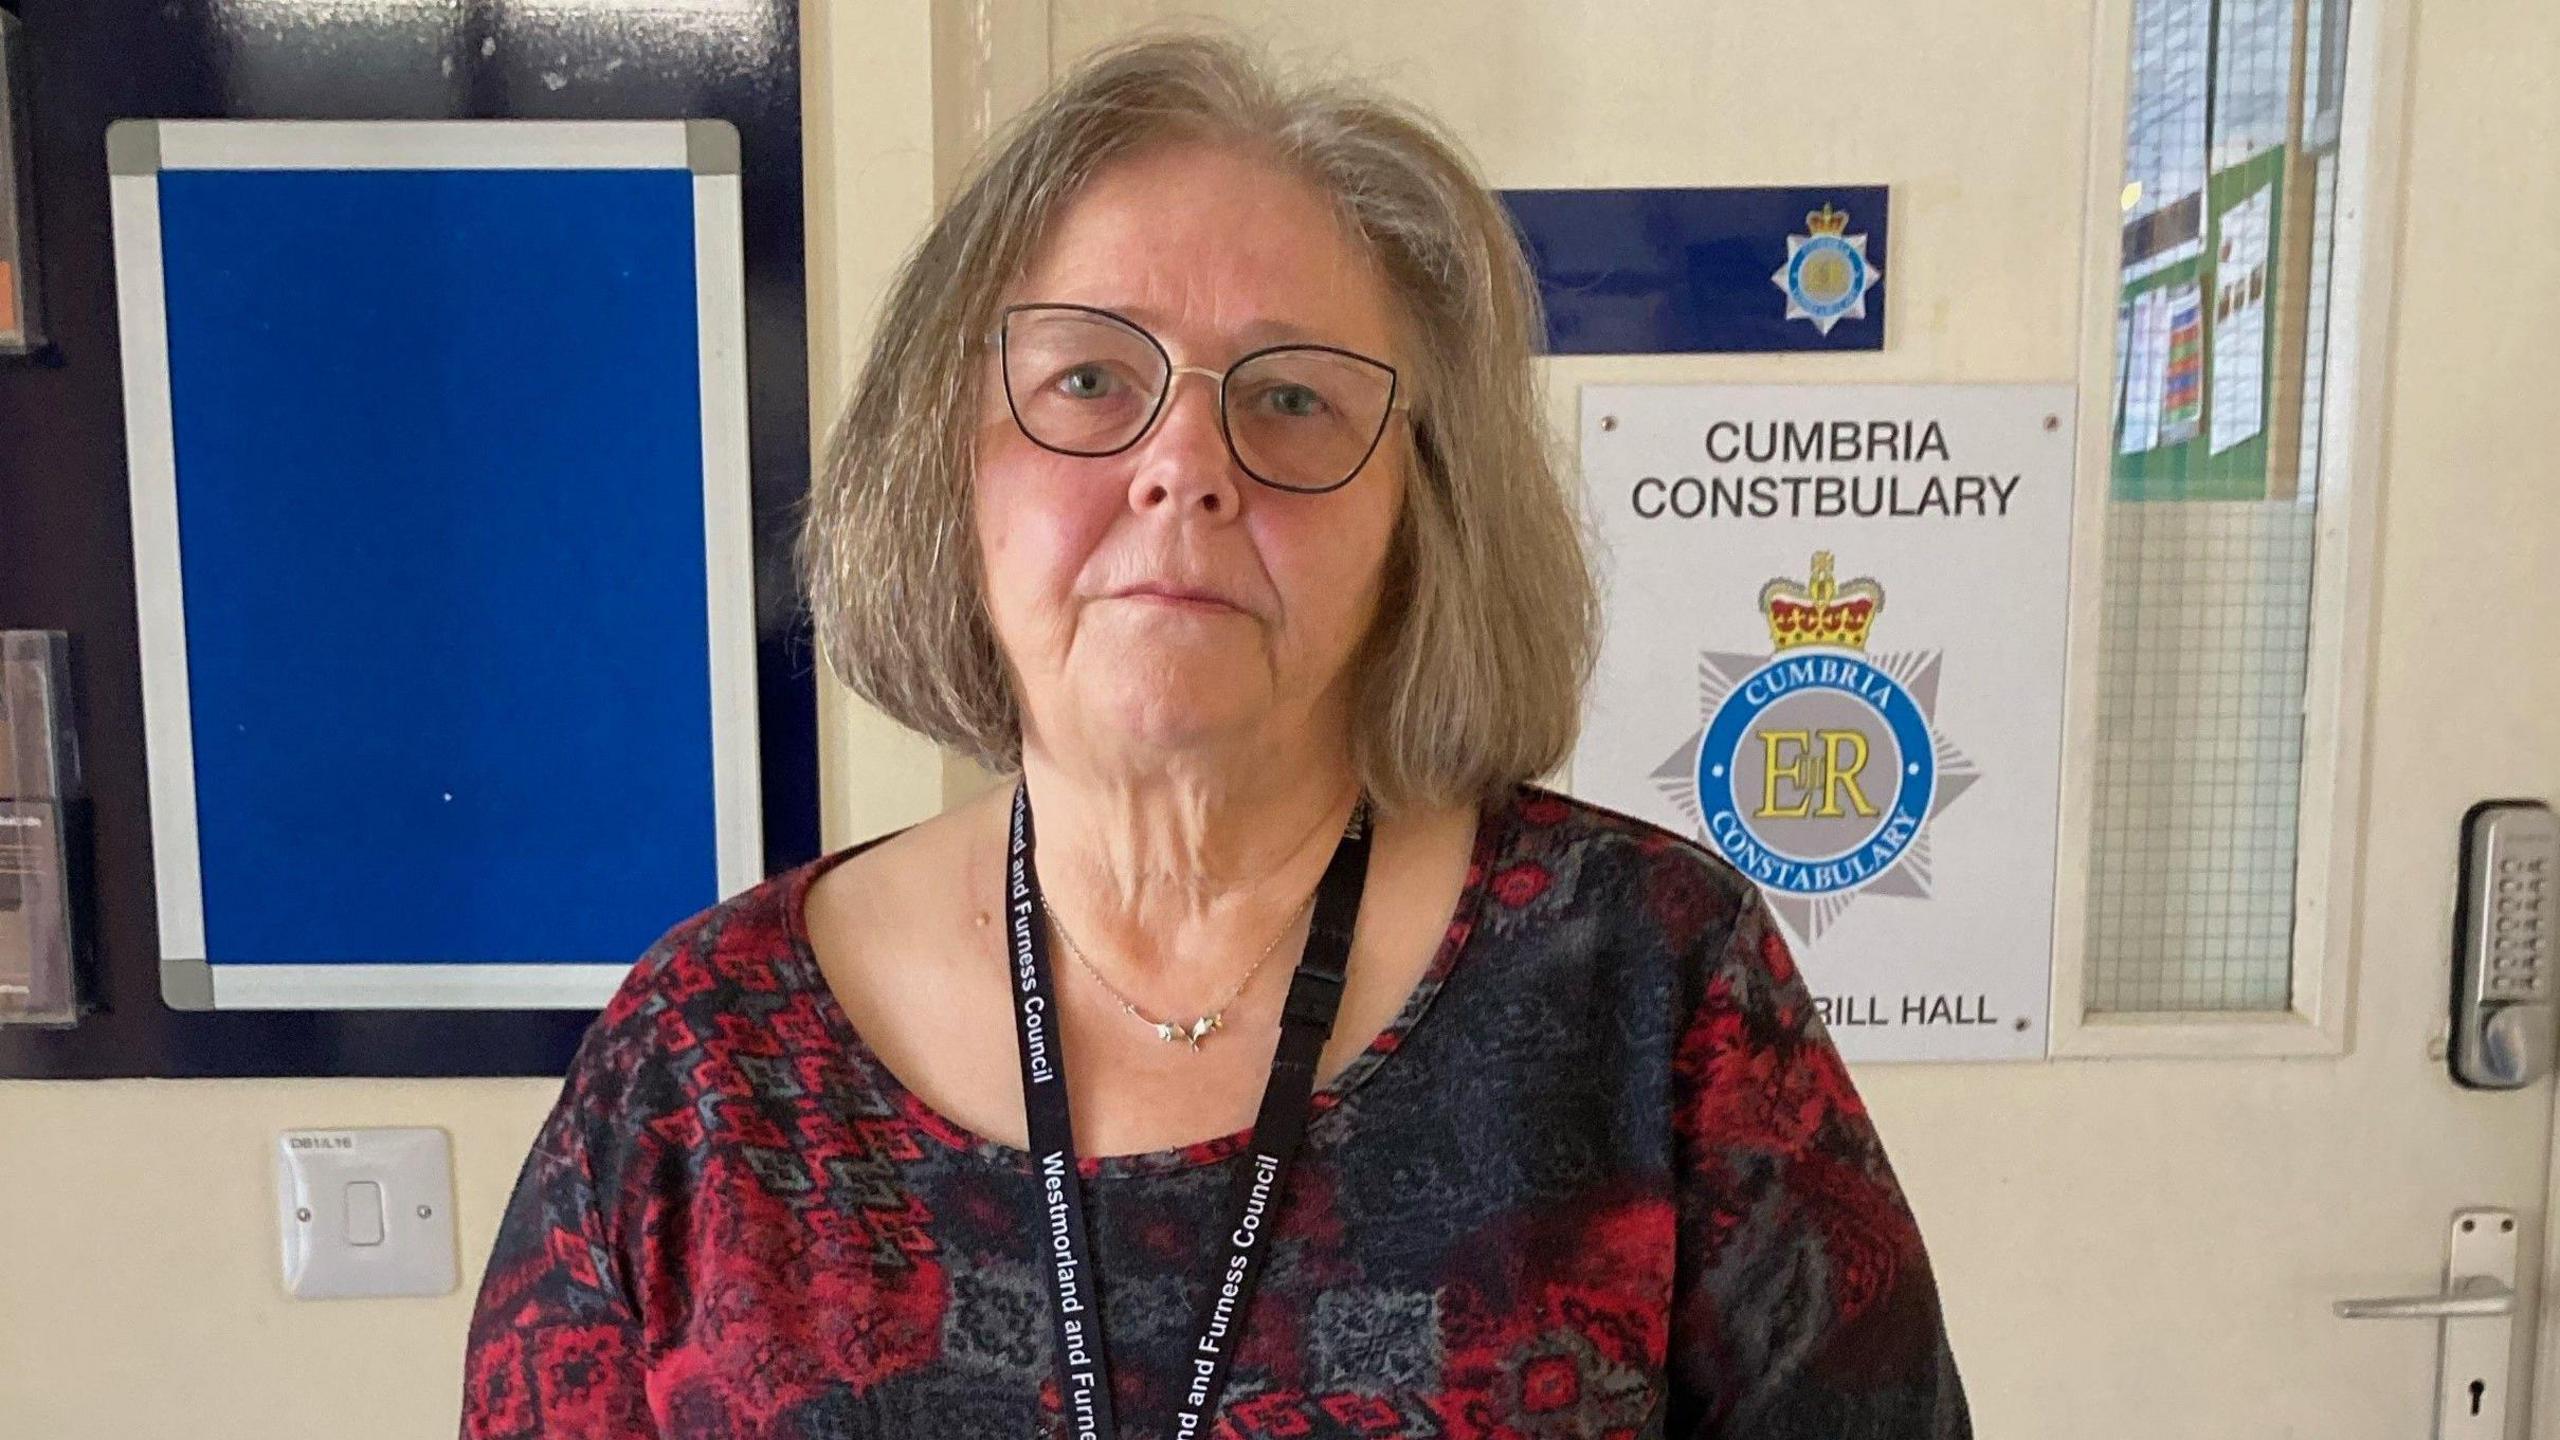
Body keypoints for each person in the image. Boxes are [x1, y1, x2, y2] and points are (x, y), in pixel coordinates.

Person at [462, 32, 1971, 1439]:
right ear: (948, 466)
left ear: (1419, 514)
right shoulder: (702, 1066)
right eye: (1090, 380)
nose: (1184, 467)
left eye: (1296, 398)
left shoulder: (1654, 983)